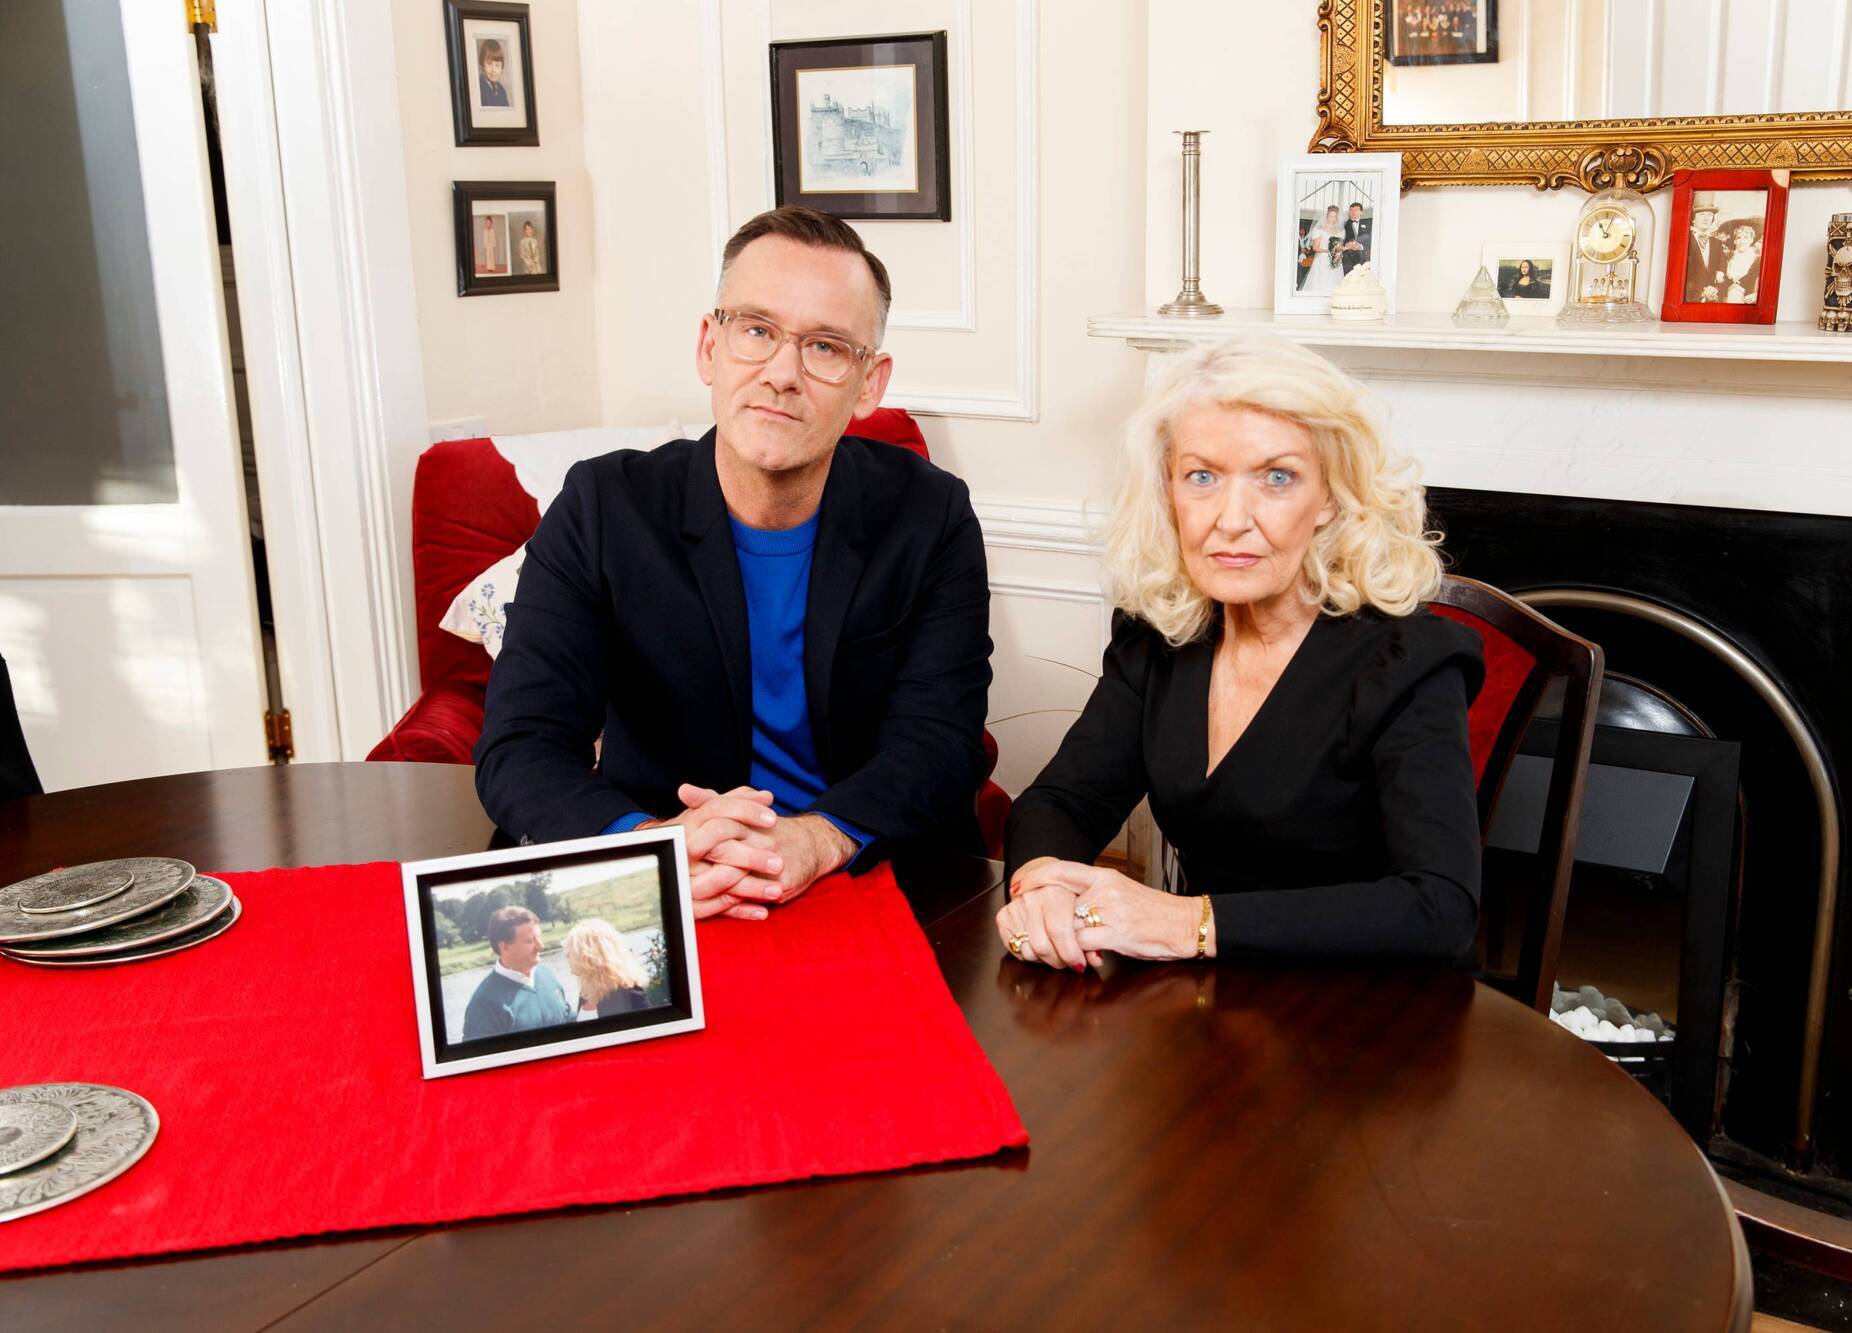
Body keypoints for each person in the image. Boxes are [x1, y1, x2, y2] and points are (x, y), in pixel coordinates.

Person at [475, 206, 992, 923]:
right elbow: (522, 742)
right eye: (756, 330)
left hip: (864, 869)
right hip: (669, 872)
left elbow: (940, 741)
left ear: (869, 384)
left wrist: (818, 839)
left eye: (826, 347)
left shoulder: (931, 515)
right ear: (709, 346)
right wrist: (651, 849)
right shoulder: (602, 508)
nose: (782, 374)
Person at [995, 336, 1483, 968]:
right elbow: (1064, 799)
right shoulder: (1163, 635)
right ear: (1168, 490)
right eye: (1202, 477)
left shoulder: (1408, 660)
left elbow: (1439, 908)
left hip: (1369, 1002)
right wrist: (1043, 885)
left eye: (1277, 478)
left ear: (1331, 496)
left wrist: (1186, 922)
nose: (1230, 519)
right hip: (1211, 992)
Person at [463, 905, 573, 1039]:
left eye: (539, 937)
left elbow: (568, 1020)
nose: (540, 946)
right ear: (505, 947)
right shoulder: (484, 1003)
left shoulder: (546, 974)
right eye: (530, 941)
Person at [564, 917, 649, 1020]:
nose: (567, 956)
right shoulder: (586, 993)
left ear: (589, 956)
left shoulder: (631, 994)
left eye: (572, 952)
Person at [1685, 196, 1726, 302]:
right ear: (1693, 218)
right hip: (1689, 297)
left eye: (1709, 215)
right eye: (1702, 214)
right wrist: (1700, 291)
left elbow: (1722, 269)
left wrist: (1715, 288)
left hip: (1710, 298)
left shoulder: (1717, 243)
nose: (1706, 218)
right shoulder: (1684, 239)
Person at [1722, 220, 1762, 303]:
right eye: (1739, 238)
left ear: (1751, 240)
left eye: (1746, 237)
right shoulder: (1728, 258)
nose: (1742, 241)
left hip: (1747, 303)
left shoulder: (1758, 260)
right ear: (1735, 241)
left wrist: (1757, 295)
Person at [1338, 201, 1371, 275]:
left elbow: (1371, 241)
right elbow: (1339, 241)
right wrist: (1347, 245)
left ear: (1361, 212)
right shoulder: (1343, 225)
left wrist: (1360, 246)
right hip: (1348, 260)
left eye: (1355, 210)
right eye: (1351, 210)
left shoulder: (1369, 223)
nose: (1353, 212)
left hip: (1365, 259)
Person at [478, 39, 510, 108]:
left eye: (497, 65)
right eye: (489, 64)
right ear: (482, 65)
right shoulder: (479, 87)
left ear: (501, 68)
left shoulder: (501, 90)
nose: (493, 70)